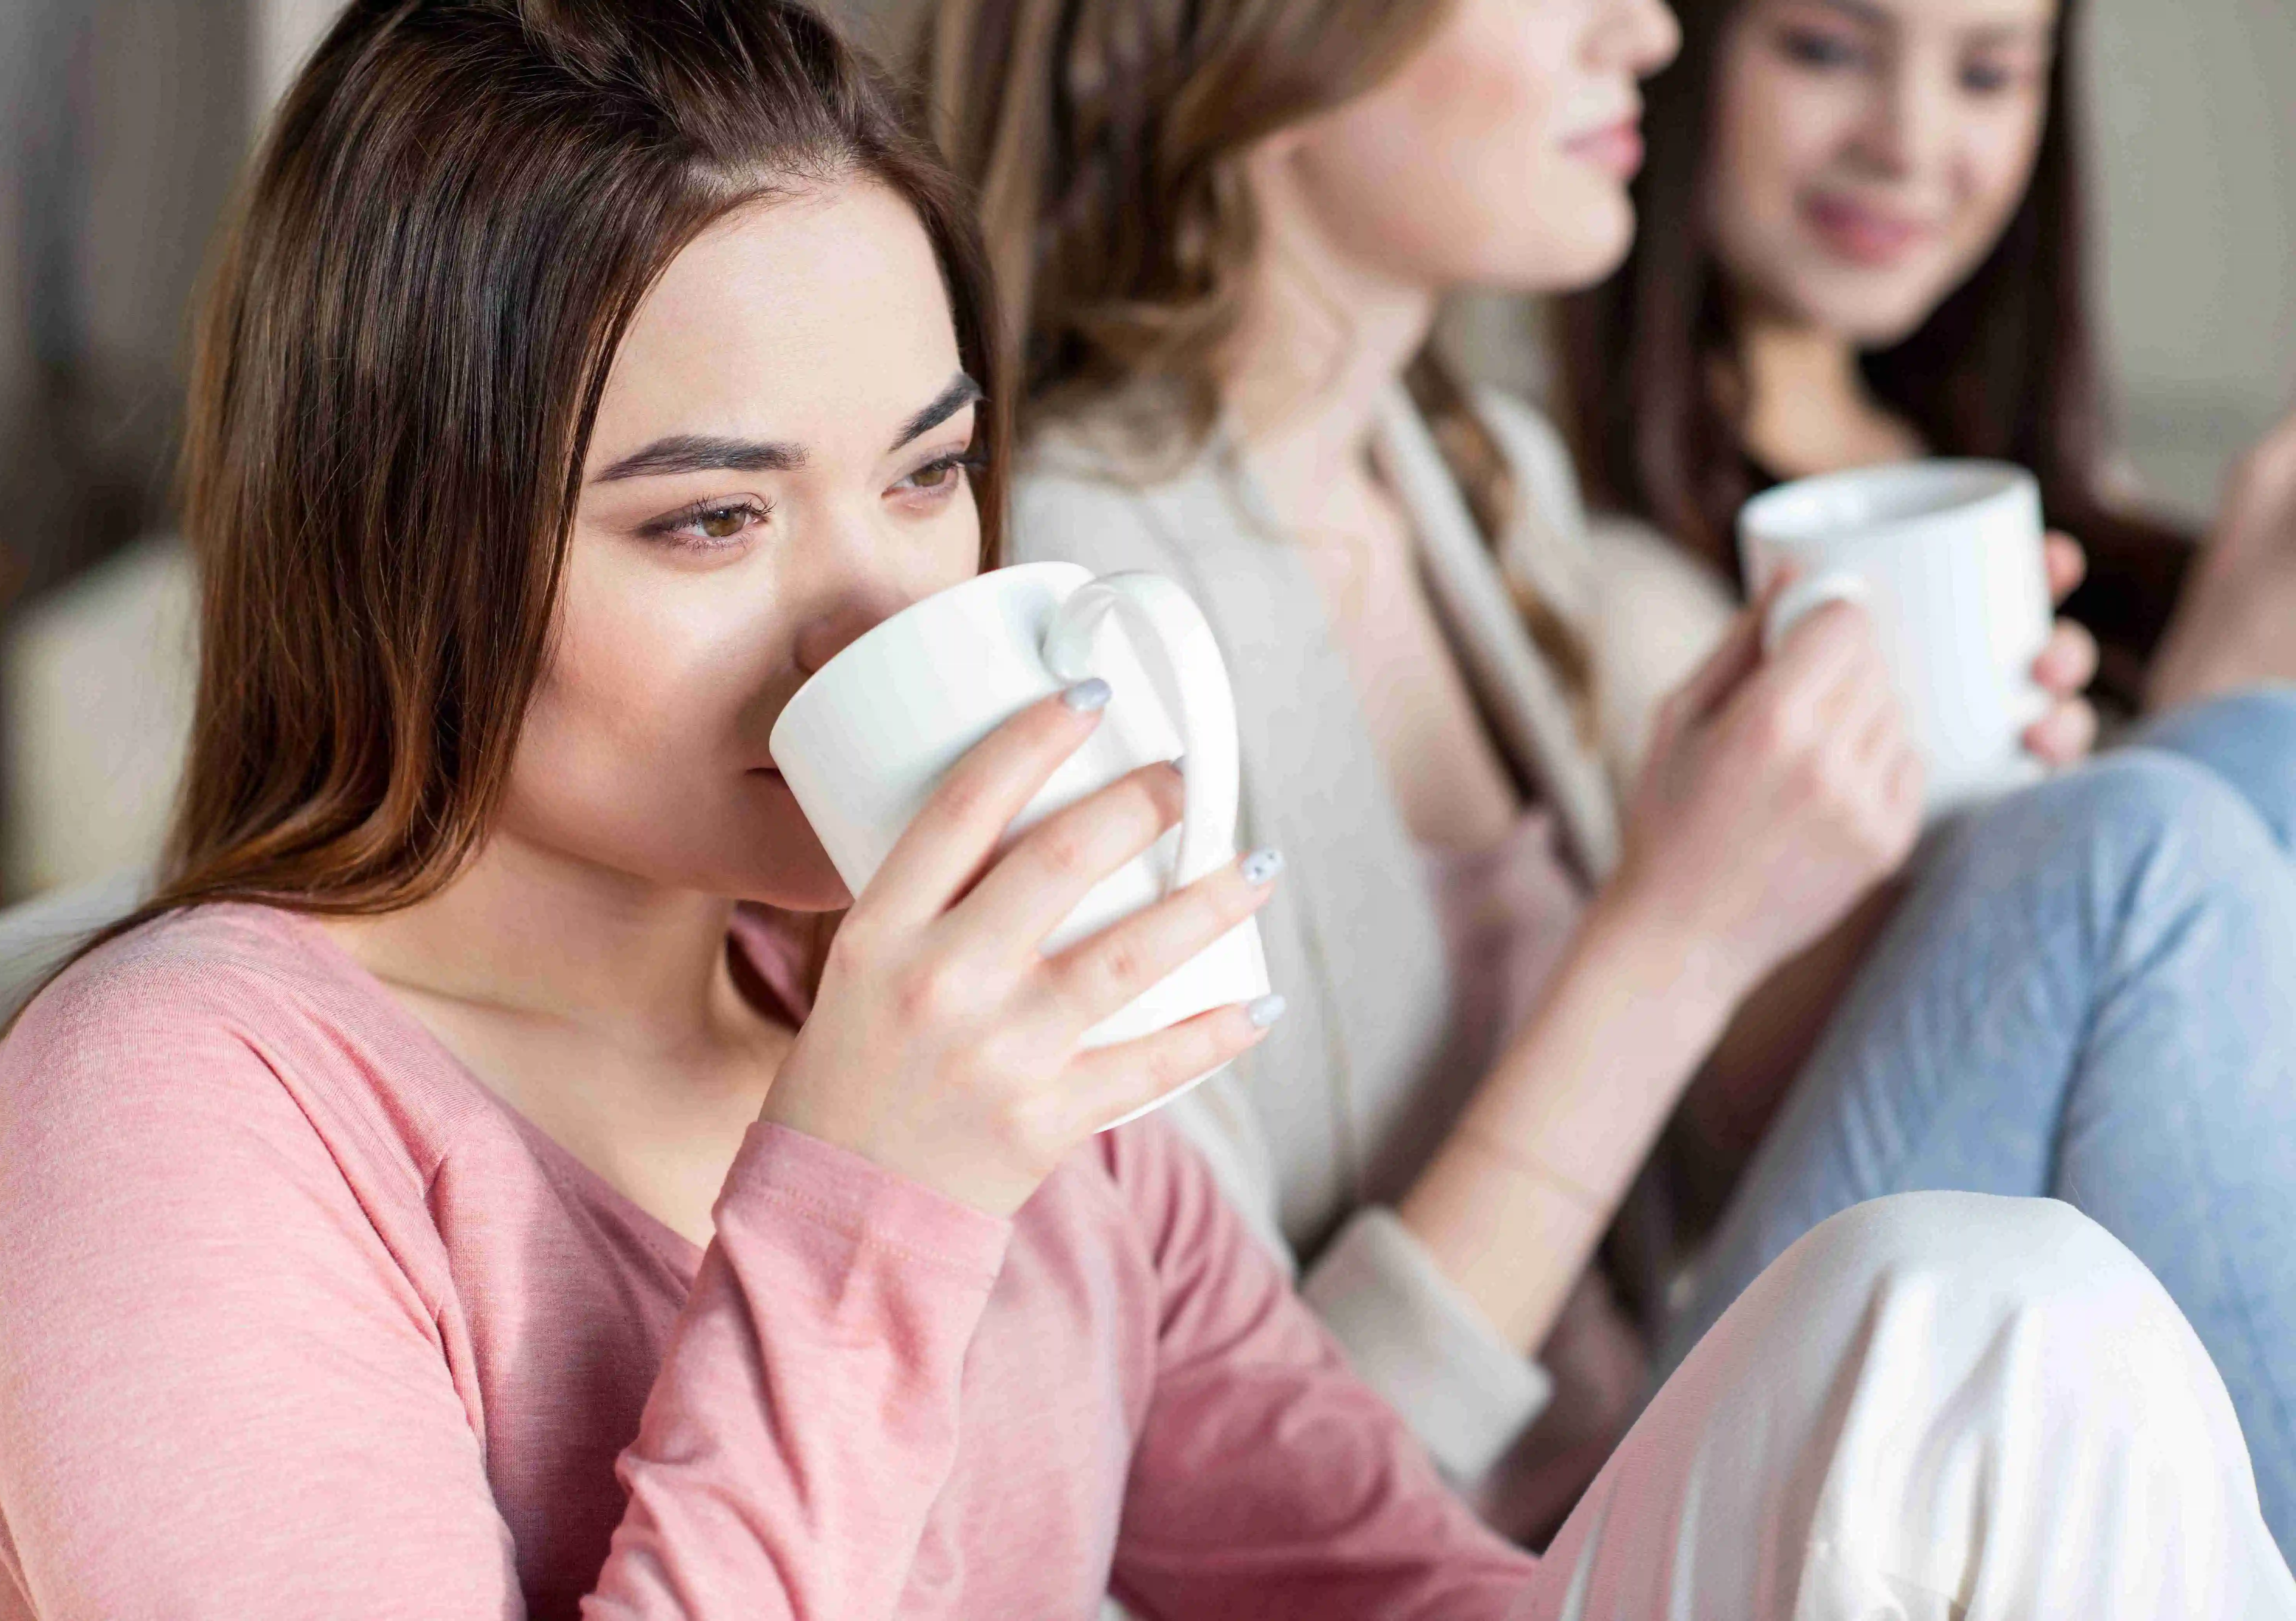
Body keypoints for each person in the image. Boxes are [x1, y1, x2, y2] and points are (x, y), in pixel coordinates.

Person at [0, 2, 2296, 1616]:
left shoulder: (976, 1020)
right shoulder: (184, 1107)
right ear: (394, 521)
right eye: (708, 521)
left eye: (929, 476)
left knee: (1981, 1315)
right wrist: (875, 1191)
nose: (868, 620)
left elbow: (1395, 1583)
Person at [922, 0, 2296, 1554]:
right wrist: (1676, 932)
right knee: (2135, 847)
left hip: (1646, 1423)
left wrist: (1863, 864)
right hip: (1434, 1550)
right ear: (1269, 36)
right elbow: (1210, 1508)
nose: (1645, 34)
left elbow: (1664, 1184)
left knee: (2241, 765)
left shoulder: (1474, 481)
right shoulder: (1081, 614)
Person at [1560, 0, 2296, 722]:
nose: (1907, 145)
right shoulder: (1587, 568)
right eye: (1826, 50)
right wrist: (2215, 728)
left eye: (1986, 74)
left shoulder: (2067, 493)